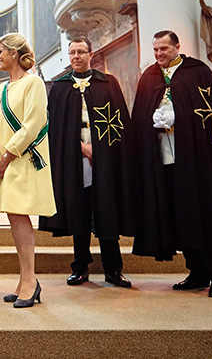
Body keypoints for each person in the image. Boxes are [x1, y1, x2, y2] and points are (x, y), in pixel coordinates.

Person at [132, 30, 212, 298]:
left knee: (205, 211)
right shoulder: (149, 77)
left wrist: (180, 117)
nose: (159, 54)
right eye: (155, 50)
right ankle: (197, 271)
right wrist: (151, 121)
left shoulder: (197, 72)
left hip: (196, 160)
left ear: (177, 47)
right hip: (164, 158)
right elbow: (139, 115)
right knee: (180, 214)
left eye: (164, 49)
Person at [39, 38, 135, 288]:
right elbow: (55, 129)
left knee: (106, 209)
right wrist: (80, 147)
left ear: (91, 54)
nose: (76, 56)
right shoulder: (59, 87)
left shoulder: (107, 83)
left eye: (81, 52)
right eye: (72, 52)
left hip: (105, 158)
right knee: (78, 209)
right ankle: (80, 267)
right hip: (74, 158)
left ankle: (113, 269)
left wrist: (100, 150)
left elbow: (119, 121)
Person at [0, 33, 56, 308]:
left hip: (21, 162)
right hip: (3, 164)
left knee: (20, 220)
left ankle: (30, 281)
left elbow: (34, 123)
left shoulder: (33, 82)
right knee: (14, 220)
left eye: (0, 51)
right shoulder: (1, 90)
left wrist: (6, 157)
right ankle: (26, 280)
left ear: (15, 53)